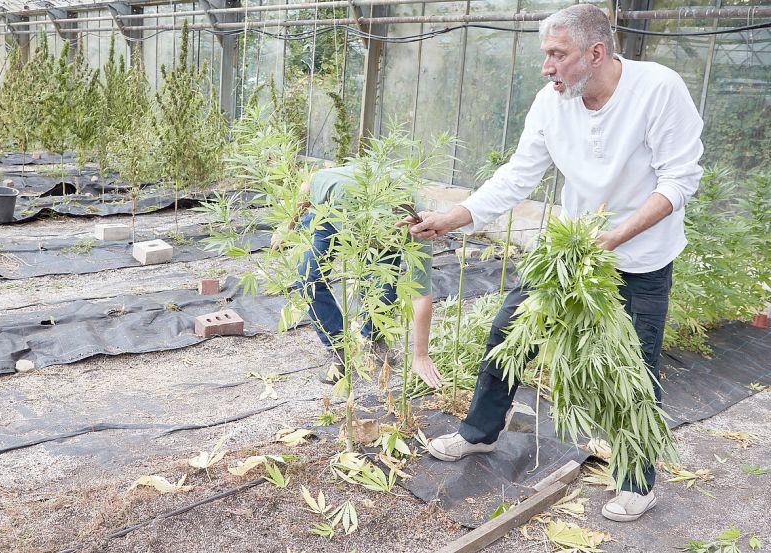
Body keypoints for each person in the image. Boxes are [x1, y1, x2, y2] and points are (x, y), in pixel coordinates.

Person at [400, 4, 703, 522]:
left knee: (634, 371)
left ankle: (636, 482)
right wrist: (455, 217)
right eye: (546, 54)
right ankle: (479, 433)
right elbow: (519, 176)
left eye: (557, 55)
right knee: (509, 335)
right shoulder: (551, 102)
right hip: (571, 250)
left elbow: (679, 180)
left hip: (642, 257)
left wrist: (617, 237)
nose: (547, 66)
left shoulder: (658, 89)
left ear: (596, 52)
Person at [278, 165, 441, 387]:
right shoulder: (336, 187)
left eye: (393, 237)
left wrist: (421, 355)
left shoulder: (420, 222)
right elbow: (308, 184)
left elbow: (421, 294)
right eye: (382, 238)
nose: (382, 243)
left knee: (383, 290)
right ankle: (339, 347)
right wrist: (288, 227)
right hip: (329, 213)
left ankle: (373, 338)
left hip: (371, 218)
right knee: (307, 278)